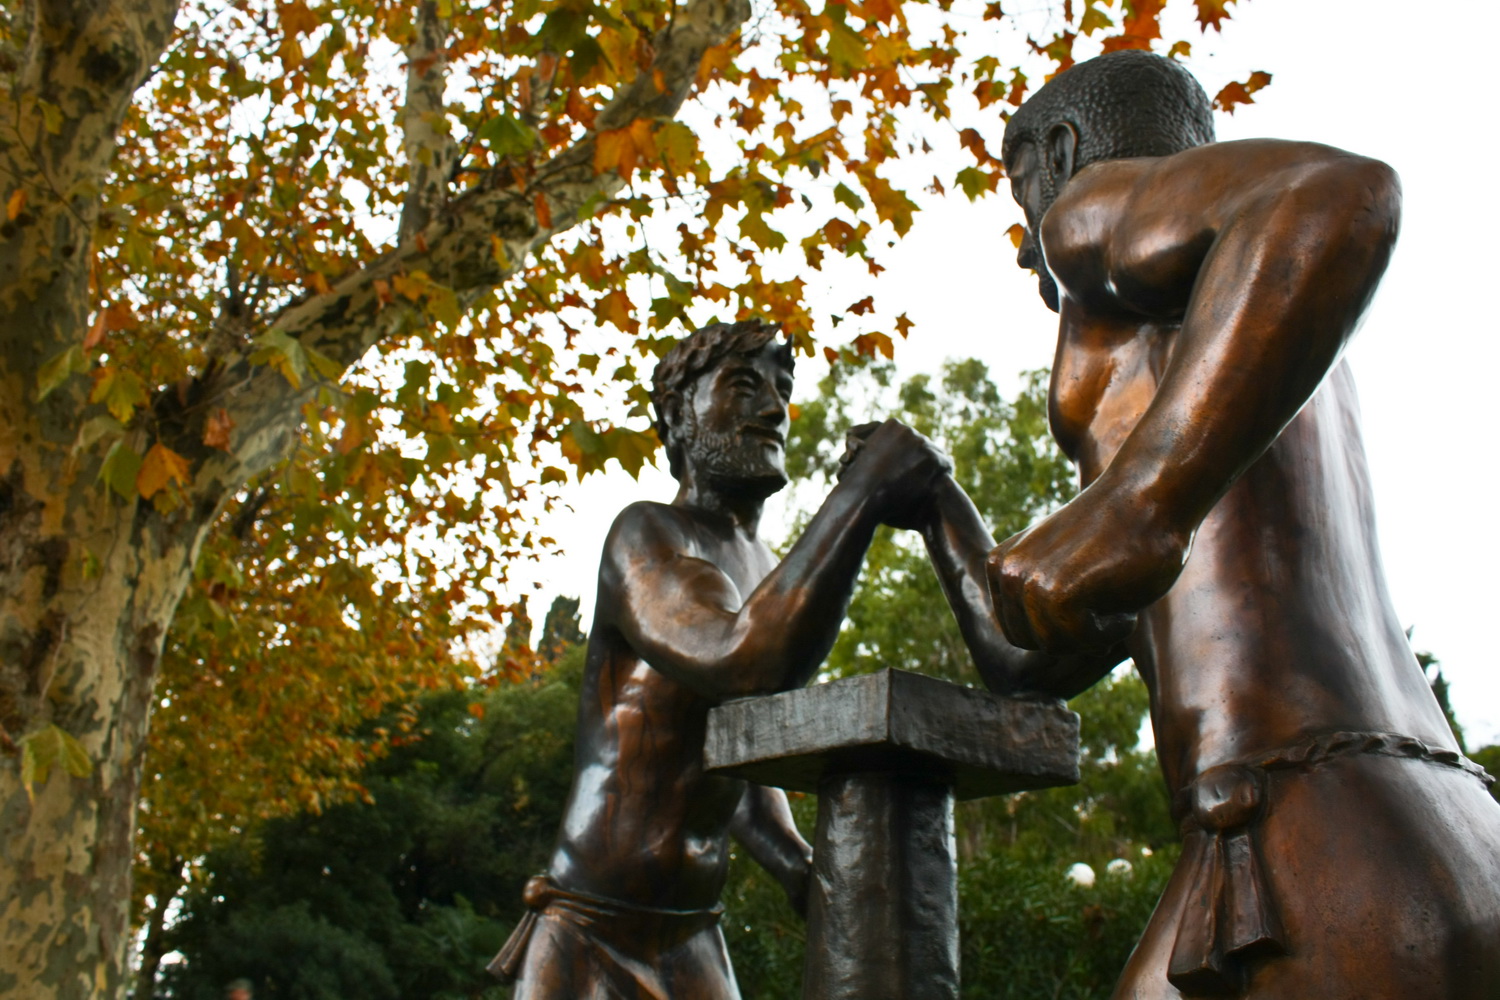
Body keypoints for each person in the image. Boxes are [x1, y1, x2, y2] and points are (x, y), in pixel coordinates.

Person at [910, 50, 1500, 998]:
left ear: (1059, 152)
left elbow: (1344, 192)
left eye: (1022, 197)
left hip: (1295, 832)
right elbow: (1035, 661)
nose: (1029, 246)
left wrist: (1137, 502)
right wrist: (940, 505)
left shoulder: (1091, 206)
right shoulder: (1247, 369)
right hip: (1440, 822)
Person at [489, 319, 951, 999]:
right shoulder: (647, 536)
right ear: (679, 418)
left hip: (691, 934)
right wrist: (862, 496)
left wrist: (801, 869)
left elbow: (735, 745)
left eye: (782, 389)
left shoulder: (766, 569)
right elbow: (742, 662)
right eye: (742, 386)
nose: (774, 409)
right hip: (589, 930)